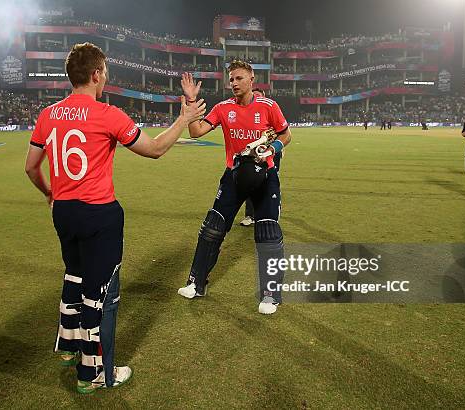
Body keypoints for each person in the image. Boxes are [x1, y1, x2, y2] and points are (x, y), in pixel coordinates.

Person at [24, 42, 205, 392]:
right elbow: (153, 150)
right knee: (100, 296)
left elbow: (31, 167)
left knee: (74, 277)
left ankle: (69, 346)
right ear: (95, 74)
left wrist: (50, 192)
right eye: (104, 72)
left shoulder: (48, 115)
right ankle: (95, 375)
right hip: (99, 214)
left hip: (63, 212)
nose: (105, 78)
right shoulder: (108, 114)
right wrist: (183, 118)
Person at [177, 61, 292, 314]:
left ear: (252, 79)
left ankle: (271, 294)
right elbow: (195, 131)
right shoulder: (222, 108)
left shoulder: (269, 106)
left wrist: (274, 149)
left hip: (265, 175)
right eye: (231, 79)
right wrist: (190, 101)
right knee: (212, 228)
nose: (234, 83)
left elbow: (286, 135)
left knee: (268, 233)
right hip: (234, 175)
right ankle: (196, 282)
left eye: (239, 78)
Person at [239, 87, 284, 227]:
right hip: (253, 154)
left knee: (270, 182)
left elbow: (283, 133)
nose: (257, 99)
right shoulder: (247, 113)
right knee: (251, 182)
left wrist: (276, 148)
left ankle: (270, 212)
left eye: (260, 96)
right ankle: (250, 215)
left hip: (271, 154)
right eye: (255, 96)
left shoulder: (271, 110)